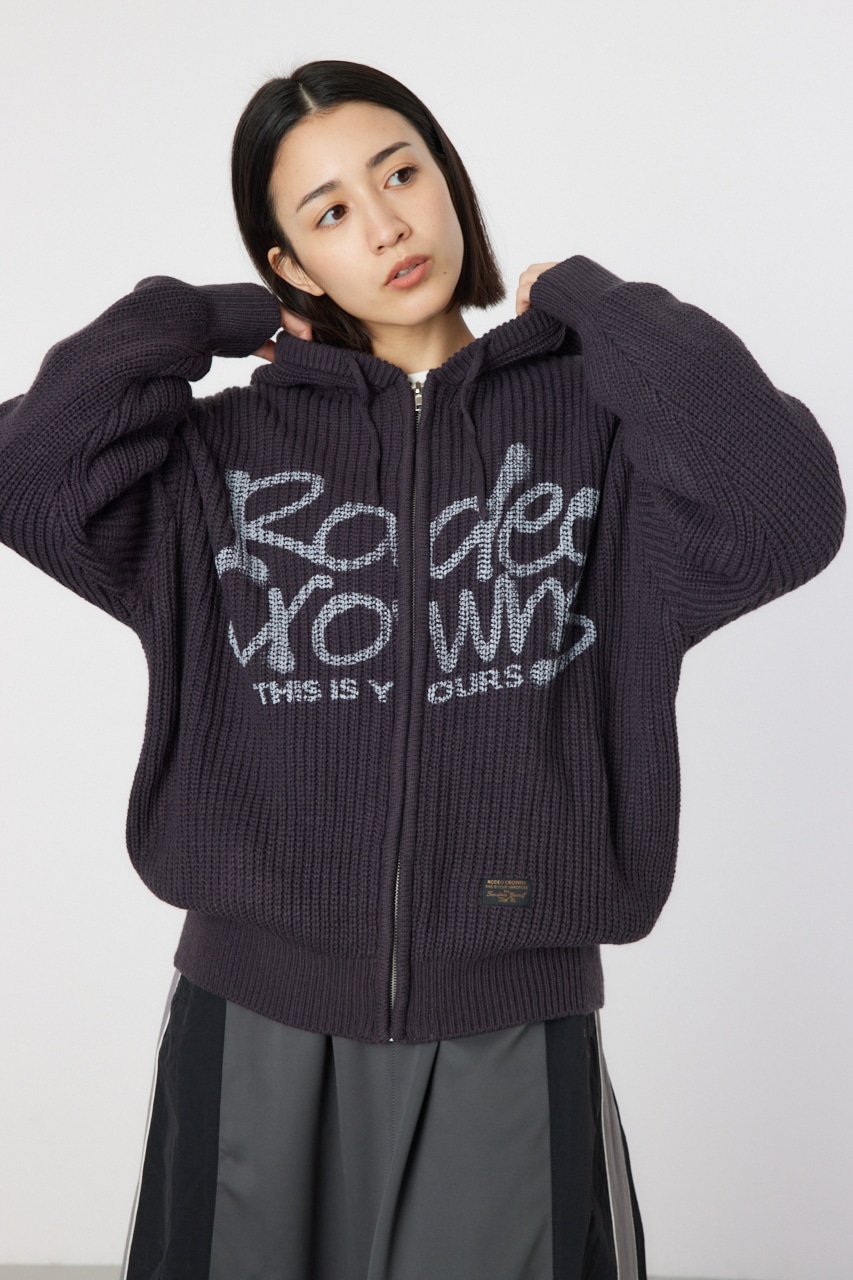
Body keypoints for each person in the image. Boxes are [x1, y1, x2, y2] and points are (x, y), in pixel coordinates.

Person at [0, 58, 844, 1280]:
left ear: (447, 178)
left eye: (400, 174)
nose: (386, 224)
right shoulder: (213, 460)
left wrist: (595, 301)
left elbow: (785, 509)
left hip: (511, 1019)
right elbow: (26, 476)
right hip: (254, 1020)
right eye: (330, 210)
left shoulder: (597, 440)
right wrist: (196, 319)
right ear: (291, 262)